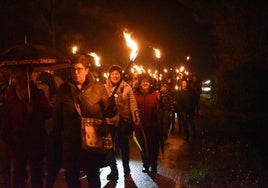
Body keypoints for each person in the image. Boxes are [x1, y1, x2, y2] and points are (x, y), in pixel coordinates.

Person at [52, 54, 117, 188]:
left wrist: (112, 105)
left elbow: (109, 113)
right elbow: (57, 117)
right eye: (73, 69)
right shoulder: (63, 89)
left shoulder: (98, 88)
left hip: (91, 144)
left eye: (79, 69)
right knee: (71, 177)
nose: (76, 72)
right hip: (71, 143)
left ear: (87, 70)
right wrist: (56, 140)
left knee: (93, 177)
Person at [0, 66, 53, 188]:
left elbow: (48, 113)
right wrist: (5, 135)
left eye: (20, 74)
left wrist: (34, 110)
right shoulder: (11, 94)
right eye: (15, 74)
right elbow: (8, 114)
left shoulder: (37, 93)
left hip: (35, 139)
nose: (17, 77)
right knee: (18, 172)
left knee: (36, 172)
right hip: (18, 139)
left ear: (27, 75)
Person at [104, 65, 140, 180]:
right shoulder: (104, 88)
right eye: (113, 73)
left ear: (121, 75)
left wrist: (135, 116)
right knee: (109, 146)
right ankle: (113, 170)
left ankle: (126, 167)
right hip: (109, 121)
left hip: (123, 121)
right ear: (109, 75)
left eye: (117, 73)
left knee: (124, 145)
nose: (115, 75)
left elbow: (132, 103)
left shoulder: (127, 87)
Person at [134, 74, 160, 176]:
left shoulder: (154, 94)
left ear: (150, 83)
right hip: (140, 126)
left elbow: (159, 110)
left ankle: (154, 166)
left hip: (152, 126)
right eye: (143, 81)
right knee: (142, 147)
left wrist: (159, 100)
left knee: (153, 146)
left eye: (147, 81)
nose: (145, 83)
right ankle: (146, 164)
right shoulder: (135, 95)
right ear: (140, 83)